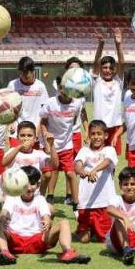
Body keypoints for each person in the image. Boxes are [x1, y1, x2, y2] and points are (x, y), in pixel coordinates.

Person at [0, 167, 89, 265]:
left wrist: (46, 221)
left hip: (38, 240)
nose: (29, 188)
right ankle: (5, 252)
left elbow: (45, 214)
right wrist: (3, 217)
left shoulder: (40, 199)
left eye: (32, 183)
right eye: (25, 185)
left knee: (64, 223)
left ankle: (67, 252)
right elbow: (5, 211)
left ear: (38, 185)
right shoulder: (12, 198)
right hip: (14, 240)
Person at [40, 76, 86, 205]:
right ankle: (40, 200)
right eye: (63, 87)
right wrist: (45, 135)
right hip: (49, 144)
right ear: (59, 87)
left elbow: (74, 121)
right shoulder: (50, 103)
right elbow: (43, 122)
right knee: (48, 175)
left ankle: (76, 204)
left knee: (71, 173)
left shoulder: (77, 104)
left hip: (66, 145)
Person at [74, 120, 117, 244]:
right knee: (84, 240)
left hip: (103, 204)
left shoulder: (109, 150)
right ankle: (86, 227)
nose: (96, 137)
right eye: (93, 134)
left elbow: (107, 162)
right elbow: (77, 165)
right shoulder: (84, 151)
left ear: (105, 136)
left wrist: (94, 170)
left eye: (99, 134)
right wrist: (82, 171)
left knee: (105, 239)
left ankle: (97, 229)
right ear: (89, 135)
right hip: (86, 204)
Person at [91, 29, 126, 152]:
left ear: (114, 70)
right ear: (100, 69)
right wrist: (101, 44)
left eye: (110, 68)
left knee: (113, 159)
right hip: (99, 126)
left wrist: (118, 44)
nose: (107, 70)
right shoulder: (97, 82)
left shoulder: (118, 82)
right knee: (98, 156)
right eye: (104, 67)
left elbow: (122, 63)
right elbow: (95, 62)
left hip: (115, 126)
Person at [7, 56, 49, 142]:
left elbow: (45, 111)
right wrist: (10, 123)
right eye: (21, 74)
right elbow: (7, 106)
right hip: (16, 132)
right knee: (16, 155)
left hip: (34, 131)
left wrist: (37, 130)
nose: (23, 77)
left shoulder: (40, 86)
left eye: (27, 76)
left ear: (33, 72)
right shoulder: (12, 85)